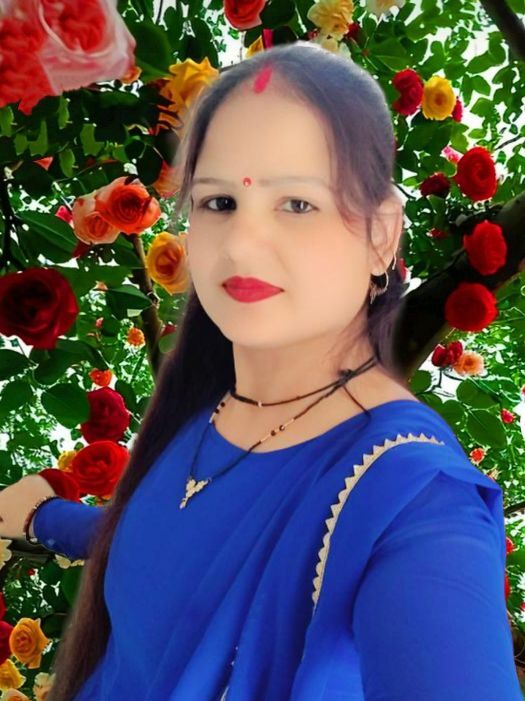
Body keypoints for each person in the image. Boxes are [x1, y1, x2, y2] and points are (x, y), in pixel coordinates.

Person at [0, 41, 521, 700]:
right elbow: (158, 541)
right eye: (219, 202)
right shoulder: (203, 419)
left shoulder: (412, 495)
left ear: (381, 236)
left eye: (297, 202)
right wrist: (39, 514)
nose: (244, 242)